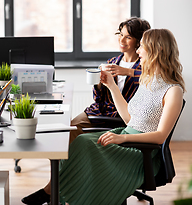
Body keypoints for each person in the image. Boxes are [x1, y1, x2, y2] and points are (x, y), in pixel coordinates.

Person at [22, 28, 185, 205]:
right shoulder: (148, 80)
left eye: (142, 47)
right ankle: (59, 193)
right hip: (125, 135)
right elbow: (130, 119)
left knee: (84, 146)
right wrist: (111, 86)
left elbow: (161, 136)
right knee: (79, 142)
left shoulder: (173, 90)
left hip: (139, 151)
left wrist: (121, 138)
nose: (138, 51)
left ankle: (56, 193)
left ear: (158, 50)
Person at [70, 17, 151, 143]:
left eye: (128, 37)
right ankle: (62, 162)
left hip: (121, 118)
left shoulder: (146, 66)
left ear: (139, 41)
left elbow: (153, 78)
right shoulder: (112, 62)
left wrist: (128, 72)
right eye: (121, 35)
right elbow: (98, 99)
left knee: (77, 135)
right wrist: (98, 83)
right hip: (99, 112)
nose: (122, 40)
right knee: (70, 128)